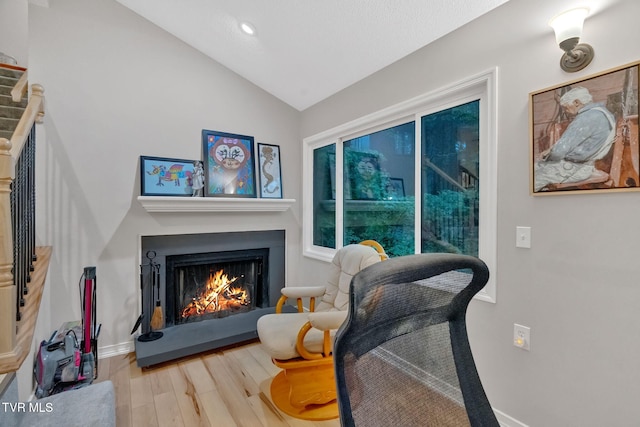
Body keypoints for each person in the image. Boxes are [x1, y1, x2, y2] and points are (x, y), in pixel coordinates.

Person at [534, 86, 616, 191]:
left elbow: (558, 153)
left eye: (566, 107)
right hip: (586, 166)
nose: (566, 111)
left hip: (573, 168)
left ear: (576, 102)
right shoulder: (604, 114)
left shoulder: (585, 118)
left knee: (532, 179)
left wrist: (546, 158)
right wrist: (551, 150)